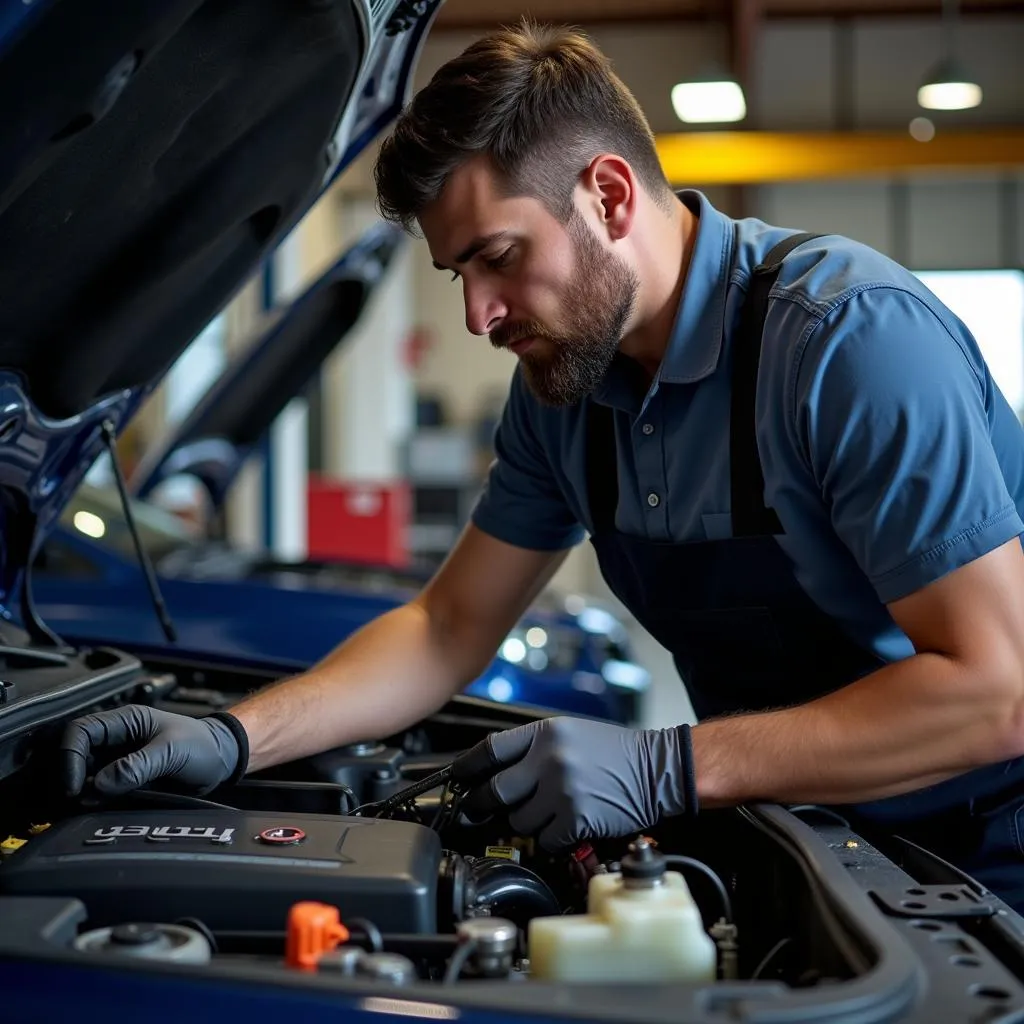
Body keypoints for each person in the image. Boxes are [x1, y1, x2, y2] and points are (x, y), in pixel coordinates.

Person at [62, 22, 1024, 910]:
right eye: (459, 277)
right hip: (812, 839)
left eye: (498, 257)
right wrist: (235, 738)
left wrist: (666, 769)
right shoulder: (565, 394)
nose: (478, 316)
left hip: (993, 856)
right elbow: (446, 626)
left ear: (607, 195)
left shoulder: (845, 344)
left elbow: (996, 691)